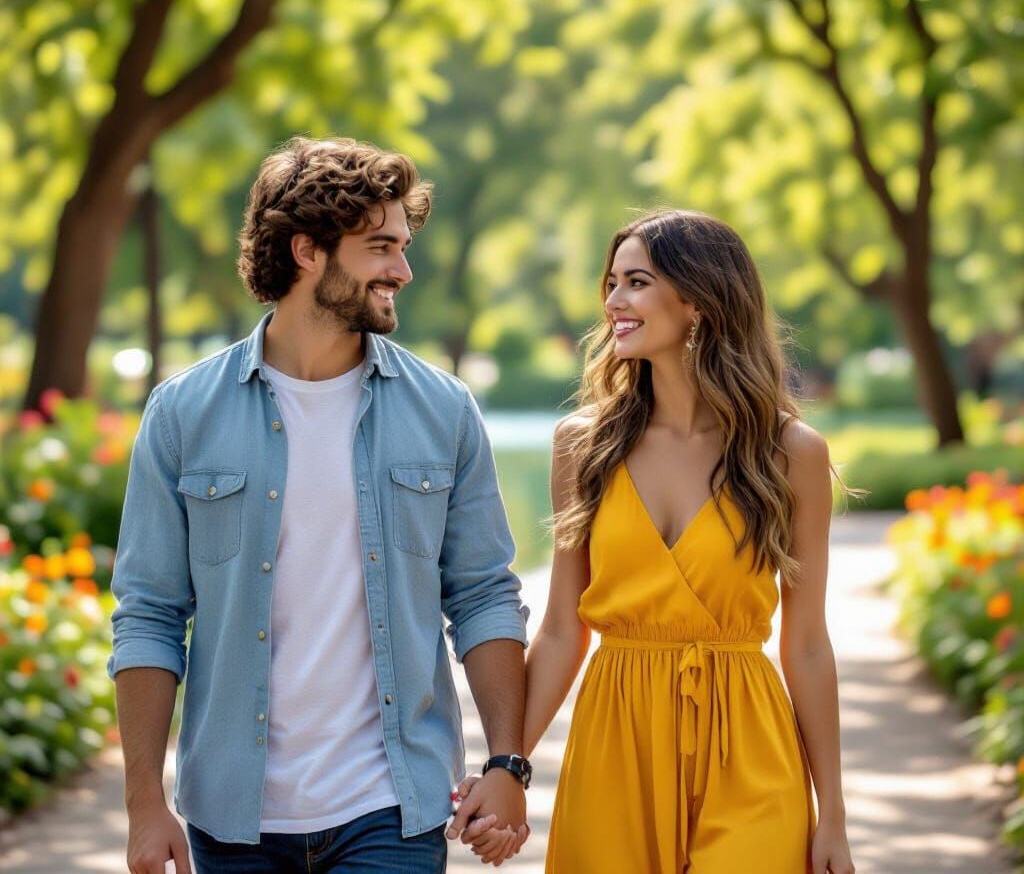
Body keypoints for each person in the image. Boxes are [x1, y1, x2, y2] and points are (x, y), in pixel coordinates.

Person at [108, 136, 530, 874]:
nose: (402, 269)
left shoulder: (443, 410)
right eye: (380, 248)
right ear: (308, 251)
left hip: (391, 809)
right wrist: (146, 802)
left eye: (402, 245)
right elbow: (148, 612)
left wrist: (507, 763)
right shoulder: (183, 414)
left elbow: (485, 594)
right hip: (233, 816)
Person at [454, 208, 856, 872]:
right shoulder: (581, 445)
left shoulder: (789, 453)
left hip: (749, 744)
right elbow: (560, 629)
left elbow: (808, 644)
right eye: (610, 283)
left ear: (697, 299)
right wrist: (507, 768)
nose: (614, 301)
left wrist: (833, 817)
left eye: (635, 282)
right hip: (617, 738)